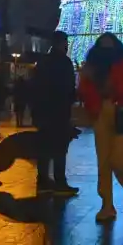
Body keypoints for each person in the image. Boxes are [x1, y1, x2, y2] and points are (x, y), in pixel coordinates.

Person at [79, 32, 123, 221]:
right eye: (103, 44)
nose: (106, 47)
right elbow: (83, 89)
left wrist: (113, 87)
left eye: (109, 43)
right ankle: (107, 204)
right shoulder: (91, 66)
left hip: (122, 110)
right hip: (100, 111)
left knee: (117, 159)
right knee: (104, 162)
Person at [32, 31, 80, 198]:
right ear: (61, 43)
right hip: (59, 112)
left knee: (44, 148)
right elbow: (68, 88)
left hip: (43, 112)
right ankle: (60, 182)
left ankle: (43, 182)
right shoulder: (64, 62)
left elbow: (35, 86)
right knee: (60, 148)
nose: (67, 46)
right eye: (66, 42)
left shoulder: (42, 61)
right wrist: (72, 99)